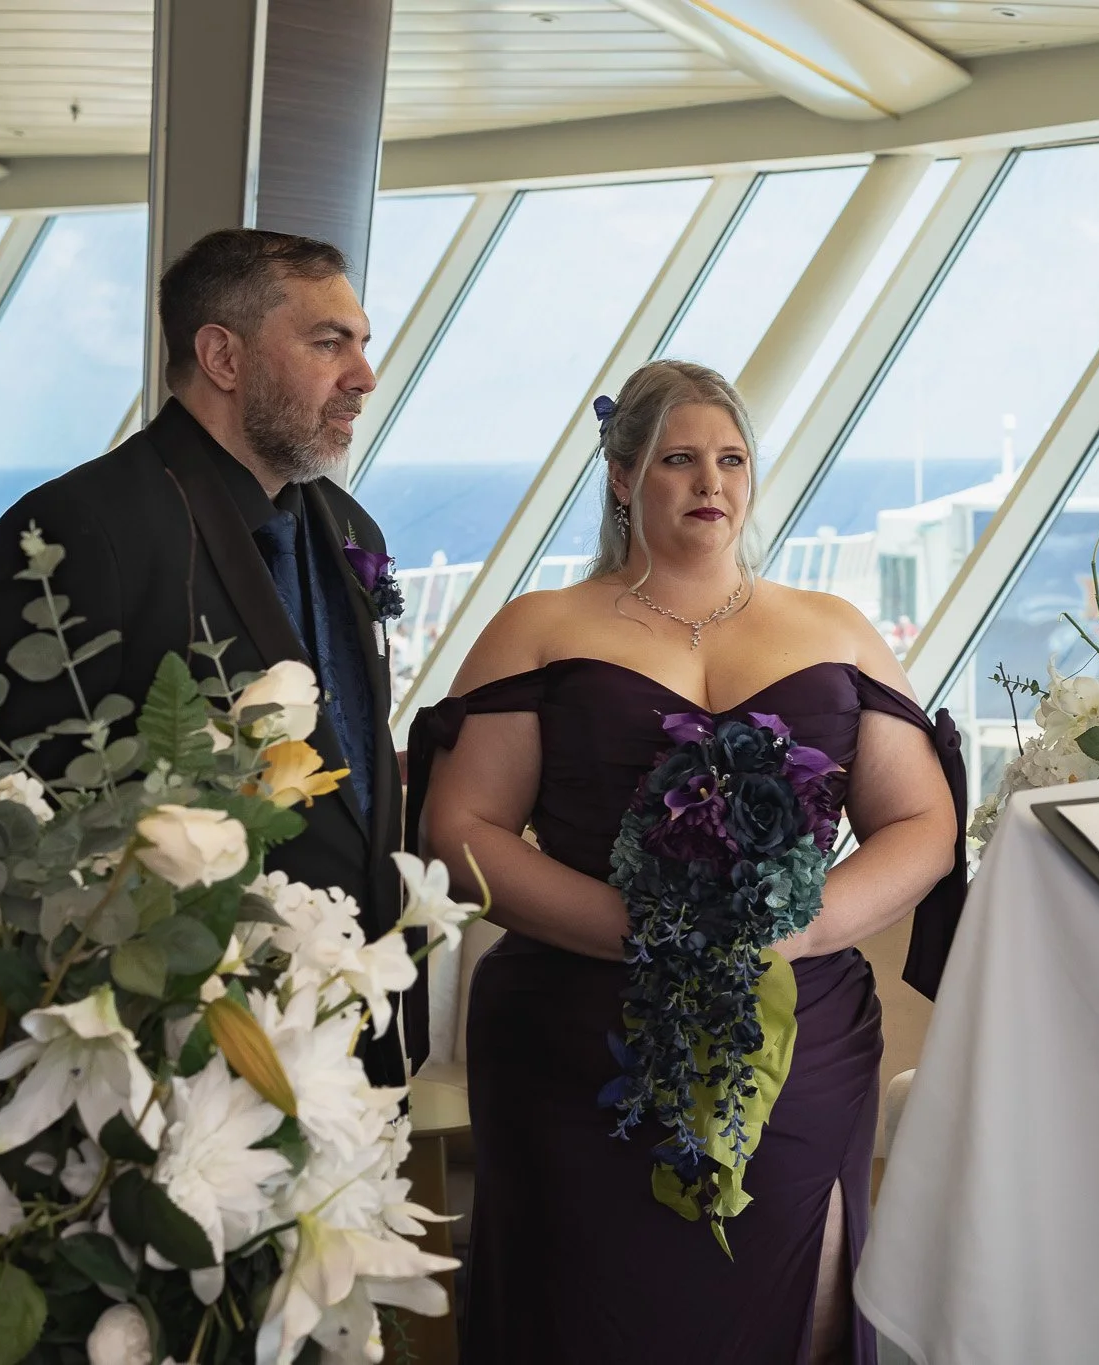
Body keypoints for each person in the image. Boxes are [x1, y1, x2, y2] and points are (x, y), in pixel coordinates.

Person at [409, 359, 966, 1364]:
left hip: (795, 1037)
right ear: (622, 480)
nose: (710, 484)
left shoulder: (832, 629)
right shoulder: (539, 627)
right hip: (571, 1040)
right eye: (677, 460)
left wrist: (805, 928)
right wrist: (632, 932)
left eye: (730, 460)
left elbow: (923, 818)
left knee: (792, 1302)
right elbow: (459, 831)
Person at [0, 228, 420, 1084]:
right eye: (329, 343)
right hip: (172, 1039)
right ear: (222, 356)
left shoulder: (354, 532)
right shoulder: (78, 531)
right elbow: (12, 815)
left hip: (342, 1026)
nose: (363, 375)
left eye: (362, 344)